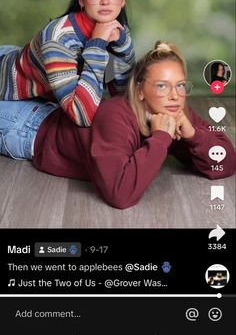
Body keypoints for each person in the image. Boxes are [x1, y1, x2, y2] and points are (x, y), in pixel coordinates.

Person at [0, 41, 235, 209]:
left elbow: (226, 162)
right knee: (8, 58)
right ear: (141, 90)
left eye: (181, 85)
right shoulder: (117, 116)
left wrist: (194, 136)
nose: (175, 95)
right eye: (162, 86)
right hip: (27, 127)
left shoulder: (174, 110)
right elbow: (120, 195)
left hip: (50, 109)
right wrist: (161, 138)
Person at [0, 0, 135, 126]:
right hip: (9, 83)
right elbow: (81, 116)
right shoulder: (59, 39)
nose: (105, 1)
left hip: (44, 88)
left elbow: (123, 97)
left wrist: (123, 43)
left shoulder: (115, 28)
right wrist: (97, 44)